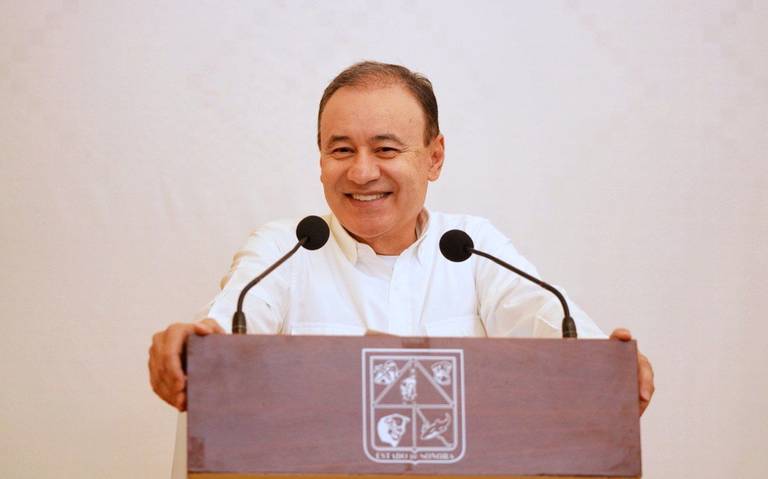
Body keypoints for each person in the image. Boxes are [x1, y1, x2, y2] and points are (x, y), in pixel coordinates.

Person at [148, 61, 654, 417]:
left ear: (434, 157)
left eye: (386, 149)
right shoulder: (286, 248)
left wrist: (608, 365)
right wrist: (194, 346)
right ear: (320, 159)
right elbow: (231, 320)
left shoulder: (471, 246)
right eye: (341, 150)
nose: (362, 172)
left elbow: (547, 320)